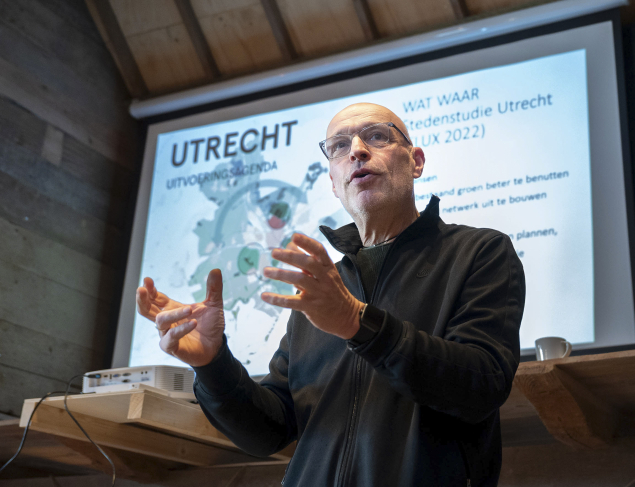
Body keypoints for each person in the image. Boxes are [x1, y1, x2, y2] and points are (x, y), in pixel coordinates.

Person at [136, 103, 525, 486]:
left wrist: (360, 325)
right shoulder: (322, 289)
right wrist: (212, 364)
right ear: (333, 183)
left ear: (416, 162)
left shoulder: (479, 253)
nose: (356, 149)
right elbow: (268, 432)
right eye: (339, 146)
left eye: (376, 136)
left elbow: (483, 385)